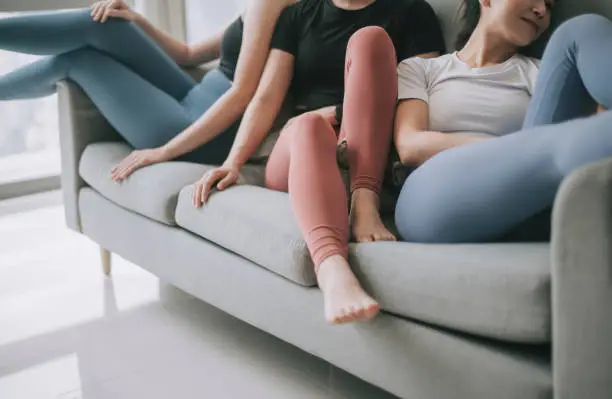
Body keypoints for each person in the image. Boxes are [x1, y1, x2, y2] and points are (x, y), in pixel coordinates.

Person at [193, 0, 446, 324]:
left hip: (370, 148)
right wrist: (233, 161)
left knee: (370, 39)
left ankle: (364, 205)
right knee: (309, 127)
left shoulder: (412, 10)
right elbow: (267, 96)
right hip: (305, 145)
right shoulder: (299, 15)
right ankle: (331, 269)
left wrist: (344, 116)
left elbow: (418, 98)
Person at [393, 0, 612, 244]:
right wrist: (505, 147)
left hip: (529, 202)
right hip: (432, 199)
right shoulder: (422, 69)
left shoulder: (543, 73)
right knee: (548, 150)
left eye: (549, 6)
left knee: (580, 29)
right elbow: (410, 145)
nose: (541, 10)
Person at [0, 0, 296, 176]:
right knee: (104, 22)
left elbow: (242, 94)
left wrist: (164, 151)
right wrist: (137, 20)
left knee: (80, 61)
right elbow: (189, 54)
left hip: (203, 132)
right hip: (191, 96)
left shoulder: (278, 5)